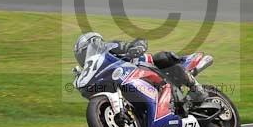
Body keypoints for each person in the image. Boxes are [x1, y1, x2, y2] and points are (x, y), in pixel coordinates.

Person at [74, 32, 207, 102]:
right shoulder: (96, 71)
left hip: (144, 67)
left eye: (86, 51)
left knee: (162, 57)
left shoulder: (111, 47)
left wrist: (136, 47)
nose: (84, 56)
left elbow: (139, 41)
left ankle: (196, 88)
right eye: (81, 55)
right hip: (125, 83)